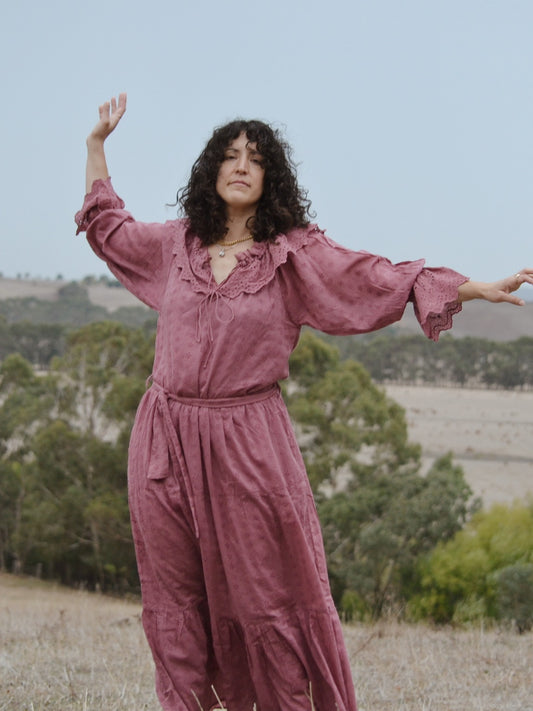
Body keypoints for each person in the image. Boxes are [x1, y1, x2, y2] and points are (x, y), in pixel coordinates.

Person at [75, 93, 532, 711]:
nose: (241, 166)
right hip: (164, 444)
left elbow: (374, 277)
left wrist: (471, 287)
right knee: (174, 598)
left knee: (267, 597)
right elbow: (110, 229)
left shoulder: (293, 254)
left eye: (256, 159)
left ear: (272, 179)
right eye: (230, 156)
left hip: (247, 447)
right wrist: (96, 146)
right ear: (211, 169)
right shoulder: (177, 244)